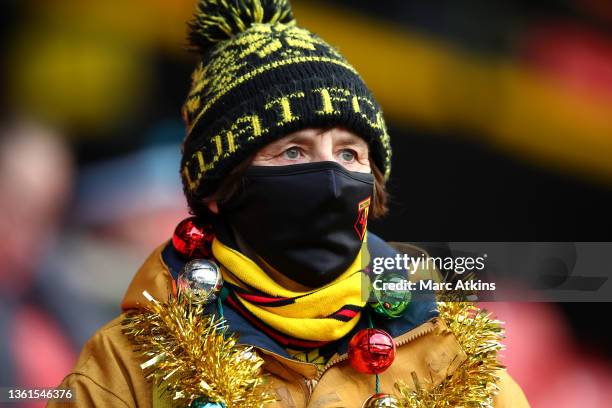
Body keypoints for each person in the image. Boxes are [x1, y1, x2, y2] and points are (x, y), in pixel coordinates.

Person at [50, 0, 529, 407]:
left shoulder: (454, 361)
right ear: (219, 189)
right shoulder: (125, 367)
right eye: (294, 151)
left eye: (349, 153)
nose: (333, 181)